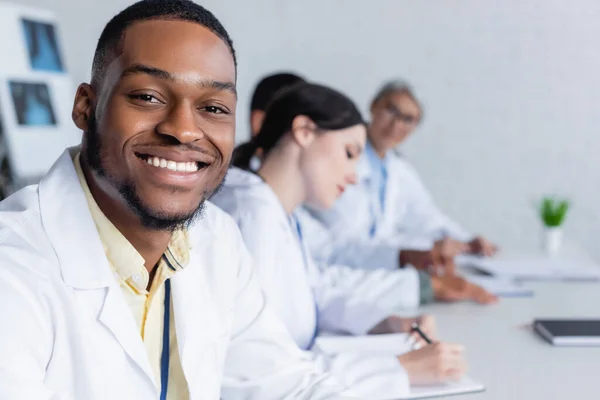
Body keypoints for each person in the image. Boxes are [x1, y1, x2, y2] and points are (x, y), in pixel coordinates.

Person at [0, 1, 358, 399]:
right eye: (148, 97)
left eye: (213, 107)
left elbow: (284, 385)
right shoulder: (13, 270)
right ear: (86, 107)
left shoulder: (216, 239)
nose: (185, 130)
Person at [211, 82, 468, 399]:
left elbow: (315, 290)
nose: (355, 175)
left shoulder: (276, 211)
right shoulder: (250, 217)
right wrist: (400, 369)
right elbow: (260, 371)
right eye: (349, 154)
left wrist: (385, 322)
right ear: (304, 131)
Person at [300, 81, 498, 282]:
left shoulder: (399, 170)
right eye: (391, 110)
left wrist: (466, 242)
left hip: (376, 273)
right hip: (336, 271)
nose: (396, 125)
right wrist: (403, 255)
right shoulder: (337, 154)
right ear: (374, 105)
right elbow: (340, 241)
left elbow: (426, 217)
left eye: (408, 119)